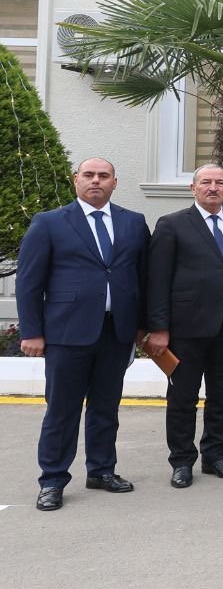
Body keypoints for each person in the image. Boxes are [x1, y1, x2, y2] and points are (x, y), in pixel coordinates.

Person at [20, 158, 149, 511]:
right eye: (88, 175)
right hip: (66, 332)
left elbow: (143, 278)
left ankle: (102, 470)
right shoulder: (49, 222)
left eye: (103, 176)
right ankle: (52, 480)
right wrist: (32, 331)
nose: (96, 181)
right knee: (62, 410)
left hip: (116, 331)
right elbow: (29, 282)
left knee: (106, 407)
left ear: (114, 182)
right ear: (76, 180)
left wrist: (142, 325)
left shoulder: (134, 223)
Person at [144, 164, 223, 488]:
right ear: (192, 188)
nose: (213, 187)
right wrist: (159, 328)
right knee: (183, 398)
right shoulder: (171, 224)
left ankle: (215, 455)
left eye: (219, 183)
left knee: (222, 395)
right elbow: (157, 279)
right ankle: (182, 461)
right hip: (185, 328)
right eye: (205, 182)